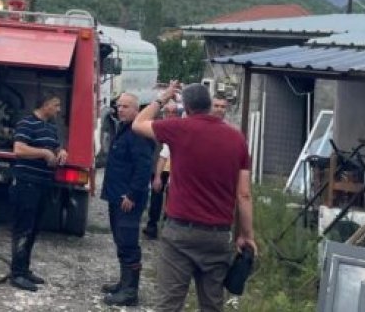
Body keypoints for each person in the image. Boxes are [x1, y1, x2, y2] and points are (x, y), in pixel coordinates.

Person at [133, 82, 257, 312]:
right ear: (210, 106)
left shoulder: (179, 128)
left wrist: (163, 98)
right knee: (212, 305)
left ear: (186, 108)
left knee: (169, 304)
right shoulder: (237, 139)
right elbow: (244, 194)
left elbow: (138, 123)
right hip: (218, 235)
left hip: (180, 232)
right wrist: (246, 235)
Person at [100, 93, 154, 306]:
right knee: (120, 240)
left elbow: (143, 168)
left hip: (128, 199)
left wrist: (132, 194)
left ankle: (130, 292)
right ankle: (124, 283)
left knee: (129, 243)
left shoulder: (138, 133)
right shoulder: (123, 128)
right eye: (118, 106)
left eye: (125, 106)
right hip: (116, 196)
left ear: (136, 110)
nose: (120, 109)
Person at [9, 94, 68, 292]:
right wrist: (43, 153)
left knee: (34, 229)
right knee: (23, 228)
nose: (58, 109)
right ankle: (17, 274)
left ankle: (25, 270)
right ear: (44, 105)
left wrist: (61, 151)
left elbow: (55, 146)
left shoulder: (51, 126)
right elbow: (19, 149)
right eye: (56, 105)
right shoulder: (27, 123)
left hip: (43, 184)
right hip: (26, 184)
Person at [142, 101, 180, 239]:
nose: (170, 115)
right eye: (167, 112)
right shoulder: (157, 126)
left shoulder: (181, 127)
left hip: (175, 169)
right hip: (158, 167)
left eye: (173, 112)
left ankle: (168, 226)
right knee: (156, 197)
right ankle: (152, 225)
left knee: (172, 198)